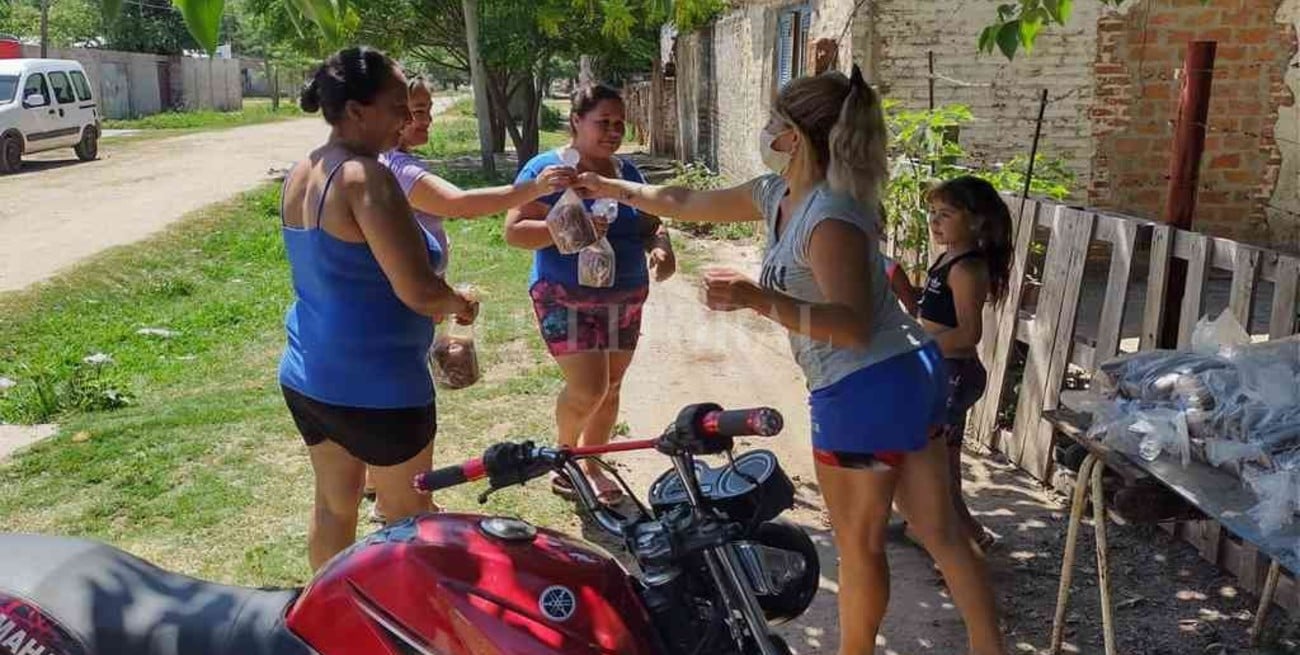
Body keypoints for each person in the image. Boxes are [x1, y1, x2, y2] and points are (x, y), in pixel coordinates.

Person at [574, 66, 1005, 655]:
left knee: (859, 544)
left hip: (864, 387)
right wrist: (609, 187)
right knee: (940, 530)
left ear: (795, 137)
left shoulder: (830, 218)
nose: (767, 131)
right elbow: (685, 200)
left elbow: (850, 325)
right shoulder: (776, 193)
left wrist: (758, 299)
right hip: (904, 374)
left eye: (775, 121)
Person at [278, 46, 478, 571]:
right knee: (407, 519)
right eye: (396, 107)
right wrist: (459, 302)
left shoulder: (303, 170)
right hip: (378, 387)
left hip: (310, 375)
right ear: (356, 110)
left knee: (334, 507)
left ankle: (327, 613)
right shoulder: (366, 178)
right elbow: (419, 291)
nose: (407, 119)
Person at [361, 75, 575, 520]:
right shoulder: (399, 168)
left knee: (379, 404)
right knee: (406, 410)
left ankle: (377, 483)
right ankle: (403, 504)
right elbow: (458, 204)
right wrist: (533, 188)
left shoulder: (379, 164)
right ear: (392, 116)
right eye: (416, 112)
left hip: (397, 302)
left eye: (427, 110)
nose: (426, 120)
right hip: (405, 305)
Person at [504, 83, 676, 507]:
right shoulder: (548, 171)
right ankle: (564, 457)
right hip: (564, 296)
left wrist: (661, 246)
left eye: (619, 123)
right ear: (576, 121)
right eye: (603, 122)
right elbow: (515, 232)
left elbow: (650, 222)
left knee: (611, 386)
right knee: (588, 388)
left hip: (625, 295)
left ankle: (593, 463)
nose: (613, 131)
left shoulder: (627, 173)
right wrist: (568, 228)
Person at [918, 175, 1013, 548]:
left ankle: (966, 543)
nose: (934, 221)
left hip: (954, 375)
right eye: (932, 212)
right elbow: (931, 312)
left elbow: (968, 333)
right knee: (934, 464)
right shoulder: (947, 258)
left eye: (945, 214)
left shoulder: (967, 269)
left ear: (975, 221)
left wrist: (917, 345)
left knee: (941, 470)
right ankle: (951, 534)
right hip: (939, 371)